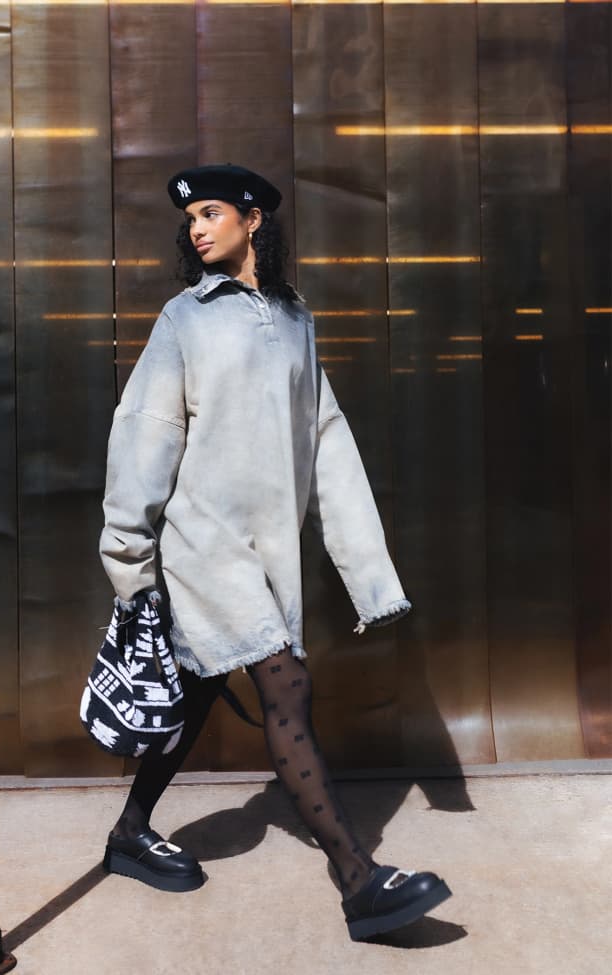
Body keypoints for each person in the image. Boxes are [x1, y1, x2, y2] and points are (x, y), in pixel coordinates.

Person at [99, 164, 451, 941]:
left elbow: (326, 439)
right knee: (286, 687)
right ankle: (359, 881)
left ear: (253, 218)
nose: (197, 228)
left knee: (198, 691)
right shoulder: (183, 319)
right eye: (191, 219)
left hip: (269, 552)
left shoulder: (295, 319)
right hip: (202, 544)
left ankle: (129, 830)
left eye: (212, 212)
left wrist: (368, 572)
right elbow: (145, 430)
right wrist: (128, 554)